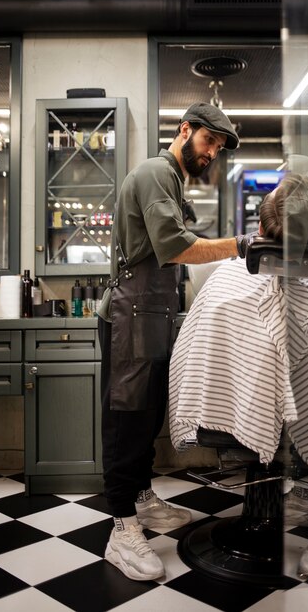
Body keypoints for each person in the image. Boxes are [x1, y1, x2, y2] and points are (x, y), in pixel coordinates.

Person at [169, 173, 308, 577]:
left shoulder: (230, 277)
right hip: (253, 413)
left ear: (259, 227)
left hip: (268, 411)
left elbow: (188, 360)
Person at [97, 102, 255, 581]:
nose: (213, 153)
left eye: (220, 148)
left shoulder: (174, 182)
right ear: (185, 130)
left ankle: (143, 500)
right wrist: (241, 244)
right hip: (131, 318)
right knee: (127, 422)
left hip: (156, 318)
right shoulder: (154, 172)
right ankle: (122, 530)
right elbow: (178, 247)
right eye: (209, 141)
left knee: (148, 419)